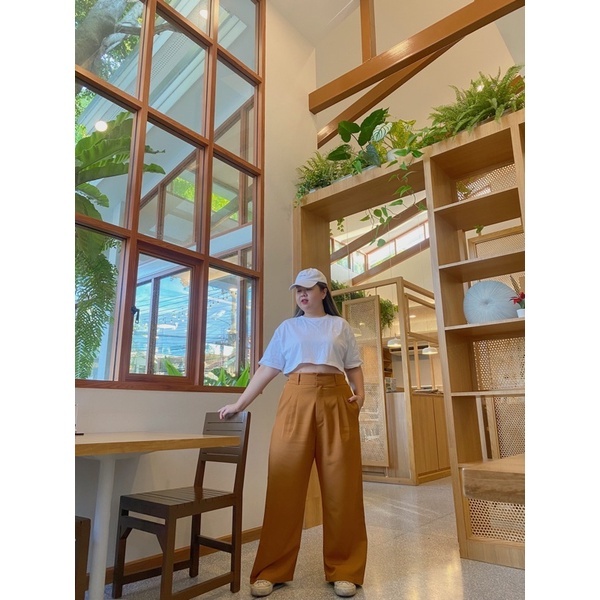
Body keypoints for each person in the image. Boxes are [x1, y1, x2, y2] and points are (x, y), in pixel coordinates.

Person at [218, 267, 367, 598]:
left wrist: (361, 395)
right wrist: (239, 403)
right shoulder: (288, 328)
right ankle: (272, 570)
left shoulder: (340, 326)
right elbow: (266, 369)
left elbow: (353, 365)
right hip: (295, 397)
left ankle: (345, 569)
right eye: (298, 289)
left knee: (342, 487)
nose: (302, 294)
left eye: (309, 289)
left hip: (336, 398)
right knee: (283, 484)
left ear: (323, 292)